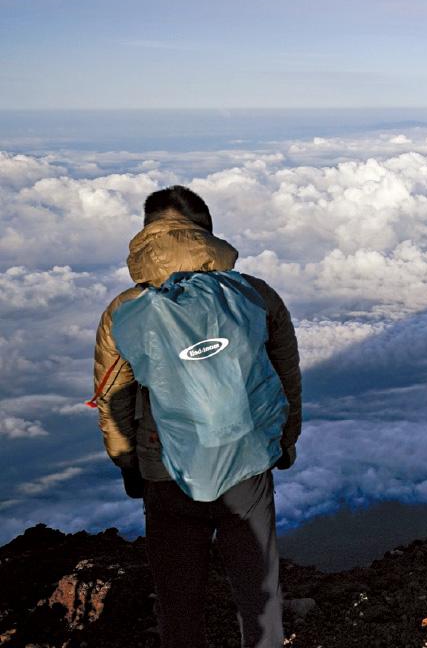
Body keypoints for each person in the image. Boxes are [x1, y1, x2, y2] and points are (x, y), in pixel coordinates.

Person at [90, 185, 302, 648]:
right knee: (259, 594)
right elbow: (285, 375)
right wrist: (285, 441)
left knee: (179, 602)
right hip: (247, 459)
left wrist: (127, 461)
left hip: (164, 466)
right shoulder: (254, 294)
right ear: (206, 231)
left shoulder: (126, 311)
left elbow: (113, 397)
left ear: (147, 233)